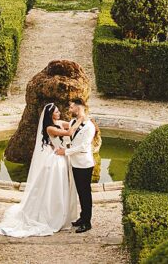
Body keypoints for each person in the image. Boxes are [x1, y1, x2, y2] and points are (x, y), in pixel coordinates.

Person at [0, 103, 79, 237]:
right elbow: (69, 132)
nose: (59, 113)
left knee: (60, 187)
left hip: (61, 157)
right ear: (50, 114)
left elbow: (70, 125)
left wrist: (80, 119)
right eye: (57, 112)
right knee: (53, 187)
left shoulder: (58, 122)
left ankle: (61, 212)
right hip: (54, 161)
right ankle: (50, 214)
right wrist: (80, 120)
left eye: (58, 111)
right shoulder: (50, 128)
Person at [55, 98, 96, 233]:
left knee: (85, 193)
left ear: (79, 108)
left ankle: (87, 222)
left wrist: (65, 152)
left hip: (84, 164)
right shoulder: (73, 121)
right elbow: (70, 137)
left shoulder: (90, 126)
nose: (70, 110)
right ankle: (82, 218)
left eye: (72, 107)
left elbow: (83, 146)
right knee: (79, 191)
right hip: (75, 163)